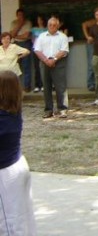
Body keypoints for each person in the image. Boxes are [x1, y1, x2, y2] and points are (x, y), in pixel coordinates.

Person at [0, 70, 37, 234]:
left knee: (8, 222)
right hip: (17, 166)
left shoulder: (3, 119)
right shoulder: (13, 110)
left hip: (6, 175)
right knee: (22, 216)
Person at [34, 16, 70, 118]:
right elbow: (37, 50)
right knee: (46, 87)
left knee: (61, 86)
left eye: (54, 25)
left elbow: (64, 50)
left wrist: (53, 59)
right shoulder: (41, 36)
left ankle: (62, 109)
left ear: (58, 26)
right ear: (47, 25)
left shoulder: (62, 36)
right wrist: (46, 60)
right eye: (50, 24)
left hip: (58, 62)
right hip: (44, 62)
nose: (52, 26)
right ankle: (48, 110)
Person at [9, 8, 33, 92]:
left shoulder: (28, 23)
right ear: (16, 15)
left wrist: (16, 35)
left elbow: (26, 36)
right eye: (19, 15)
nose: (20, 16)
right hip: (15, 44)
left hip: (25, 44)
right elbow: (11, 35)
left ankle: (27, 87)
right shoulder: (13, 23)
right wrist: (19, 24)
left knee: (26, 66)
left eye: (22, 15)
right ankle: (15, 86)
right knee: (14, 65)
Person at [30, 14, 47, 92]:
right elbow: (32, 38)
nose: (39, 21)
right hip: (36, 50)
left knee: (44, 68)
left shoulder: (46, 29)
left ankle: (44, 85)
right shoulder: (33, 29)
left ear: (43, 20)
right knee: (37, 68)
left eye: (40, 19)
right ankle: (37, 85)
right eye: (38, 19)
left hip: (44, 51)